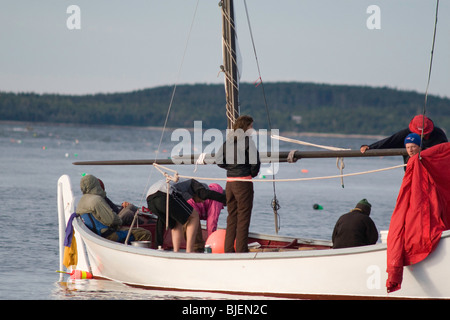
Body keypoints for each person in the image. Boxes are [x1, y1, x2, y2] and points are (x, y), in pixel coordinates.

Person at [216, 115, 261, 253]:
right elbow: (255, 163)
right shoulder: (248, 142)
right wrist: (250, 173)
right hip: (243, 183)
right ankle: (241, 251)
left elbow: (219, 160)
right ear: (245, 127)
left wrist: (230, 169)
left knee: (232, 217)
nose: (252, 130)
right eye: (251, 126)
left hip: (229, 183)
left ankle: (228, 249)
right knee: (243, 217)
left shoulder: (228, 142)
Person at [146, 178, 226, 252]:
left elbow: (161, 221)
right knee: (194, 216)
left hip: (150, 199)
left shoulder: (184, 191)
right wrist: (228, 199)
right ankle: (189, 251)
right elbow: (206, 194)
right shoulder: (195, 185)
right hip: (164, 192)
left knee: (175, 224)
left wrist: (158, 244)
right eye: (203, 199)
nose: (202, 202)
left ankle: (173, 251)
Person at [76, 174, 152, 244]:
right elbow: (112, 220)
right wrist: (119, 221)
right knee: (145, 234)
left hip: (98, 233)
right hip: (108, 235)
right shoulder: (97, 200)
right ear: (96, 185)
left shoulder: (82, 201)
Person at [360, 115, 447, 166]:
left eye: (424, 133)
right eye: (418, 133)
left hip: (432, 169)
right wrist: (371, 147)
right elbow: (390, 141)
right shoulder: (406, 133)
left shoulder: (438, 134)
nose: (421, 135)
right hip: (412, 168)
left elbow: (446, 151)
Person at [187, 183, 225, 251]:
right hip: (192, 205)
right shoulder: (218, 199)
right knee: (197, 242)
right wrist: (210, 240)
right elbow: (212, 220)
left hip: (186, 202)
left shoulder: (212, 190)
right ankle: (197, 250)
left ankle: (192, 248)